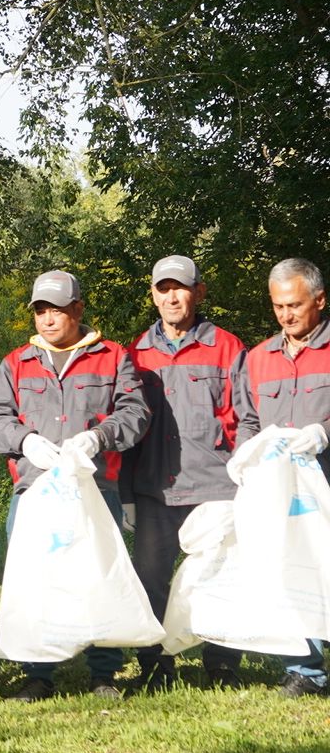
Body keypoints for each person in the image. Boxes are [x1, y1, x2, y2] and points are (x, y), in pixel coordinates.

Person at [0, 269, 150, 701]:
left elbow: (135, 413)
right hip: (34, 491)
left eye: (56, 309)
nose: (48, 319)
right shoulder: (17, 362)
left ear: (77, 309)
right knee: (35, 581)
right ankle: (37, 674)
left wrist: (100, 436)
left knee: (99, 578)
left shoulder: (113, 357)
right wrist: (25, 440)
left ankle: (103, 674)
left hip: (96, 489)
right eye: (40, 310)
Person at [122, 255, 247, 692]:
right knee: (150, 579)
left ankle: (222, 664)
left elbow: (242, 418)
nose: (172, 297)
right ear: (153, 295)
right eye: (163, 289)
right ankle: (155, 664)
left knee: (220, 579)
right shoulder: (137, 352)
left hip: (216, 485)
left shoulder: (227, 347)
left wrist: (246, 478)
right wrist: (127, 494)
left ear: (199, 292)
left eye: (180, 287)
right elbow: (128, 427)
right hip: (155, 488)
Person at [233, 257, 330, 698]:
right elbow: (248, 419)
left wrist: (323, 431)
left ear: (320, 300)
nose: (286, 315)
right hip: (283, 491)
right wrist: (245, 456)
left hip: (325, 480)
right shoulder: (258, 358)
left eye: (295, 305)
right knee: (294, 570)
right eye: (278, 307)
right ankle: (305, 669)